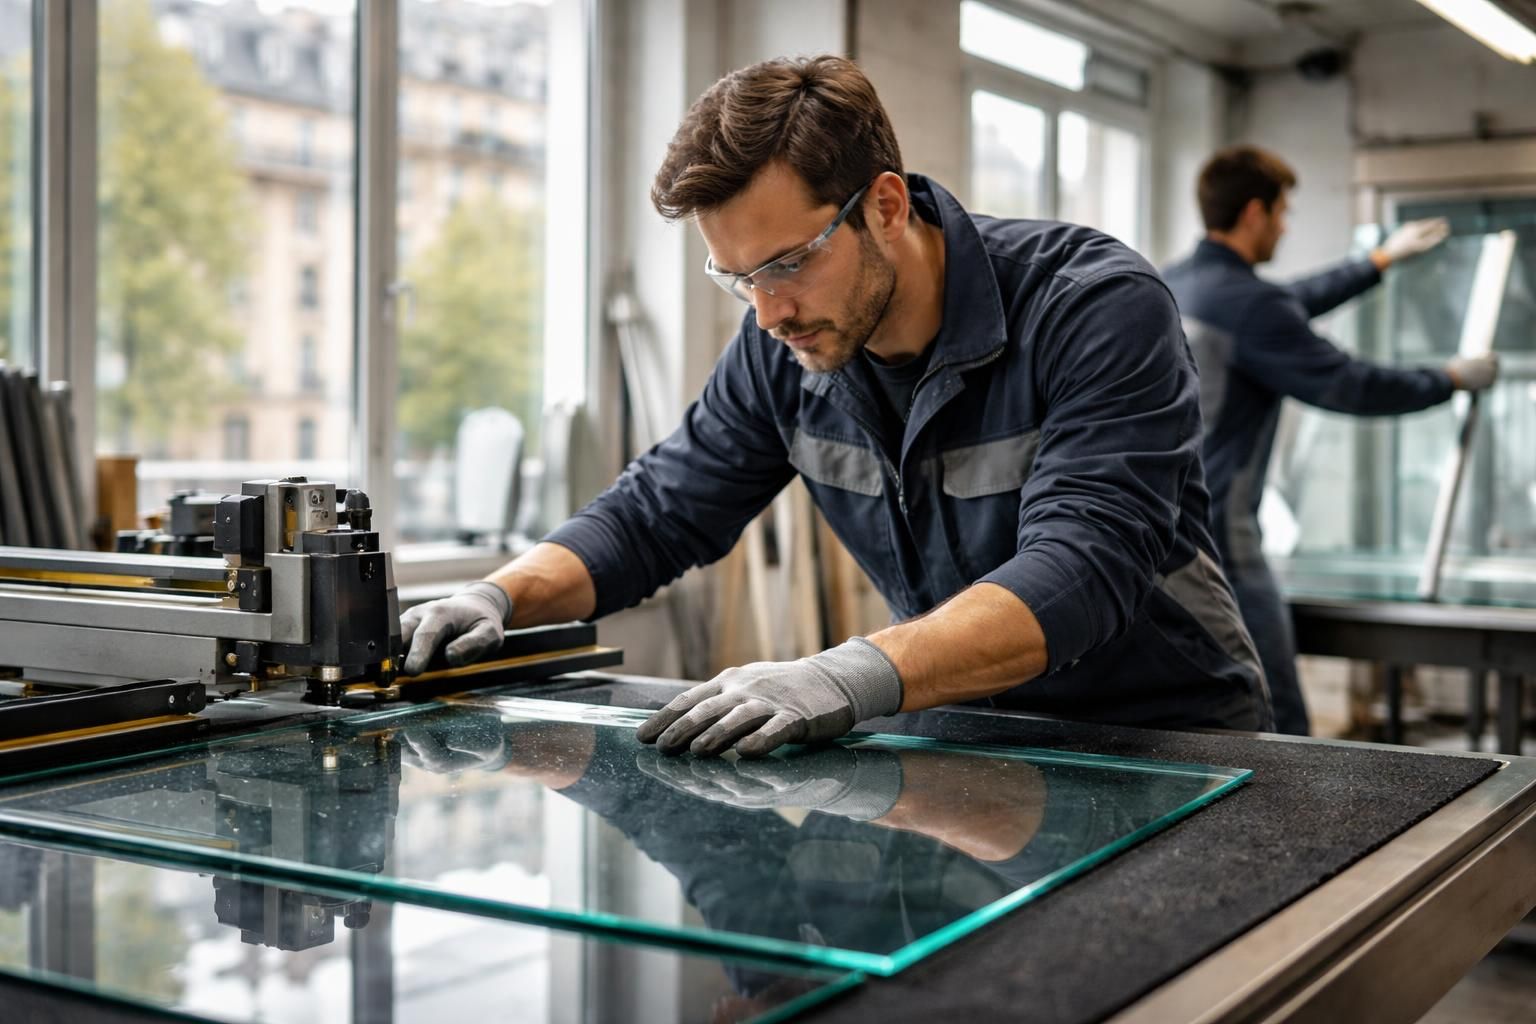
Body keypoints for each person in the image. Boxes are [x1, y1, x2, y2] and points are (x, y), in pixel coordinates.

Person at [401, 55, 1271, 758]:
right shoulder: (787, 346)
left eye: (787, 263)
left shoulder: (1092, 306)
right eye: (739, 278)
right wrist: (498, 596)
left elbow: (1083, 568)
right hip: (961, 731)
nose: (767, 313)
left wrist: (840, 676)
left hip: (1168, 739)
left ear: (885, 206)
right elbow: (657, 511)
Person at [1162, 145, 1500, 736]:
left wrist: (1376, 262)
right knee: (1276, 719)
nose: (1285, 226)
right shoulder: (1252, 305)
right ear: (1254, 213)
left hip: (1159, 537)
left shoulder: (1172, 284)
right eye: (1282, 212)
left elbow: (1285, 302)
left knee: (1200, 717)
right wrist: (1448, 379)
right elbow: (1351, 385)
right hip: (1223, 547)